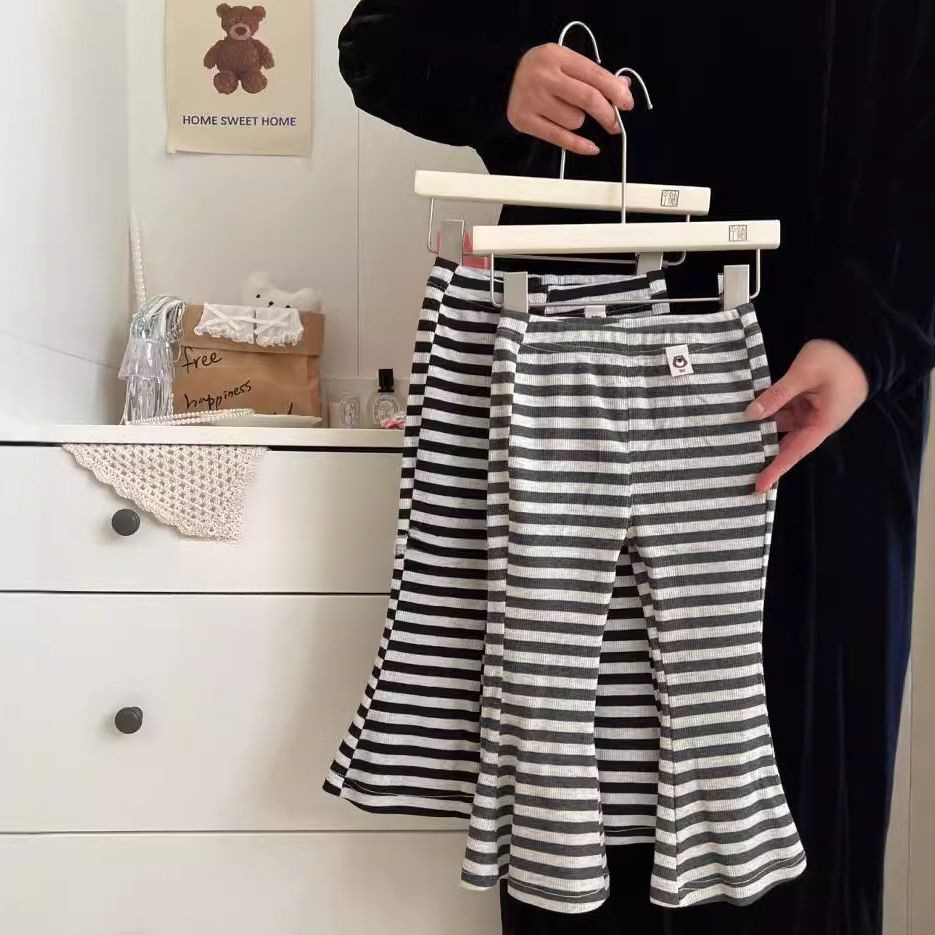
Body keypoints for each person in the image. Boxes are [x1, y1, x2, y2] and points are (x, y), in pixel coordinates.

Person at [337, 4, 935, 934]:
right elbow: (378, 42)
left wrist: (874, 336)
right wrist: (501, 77)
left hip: (812, 387)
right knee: (573, 783)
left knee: (792, 800)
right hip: (567, 356)